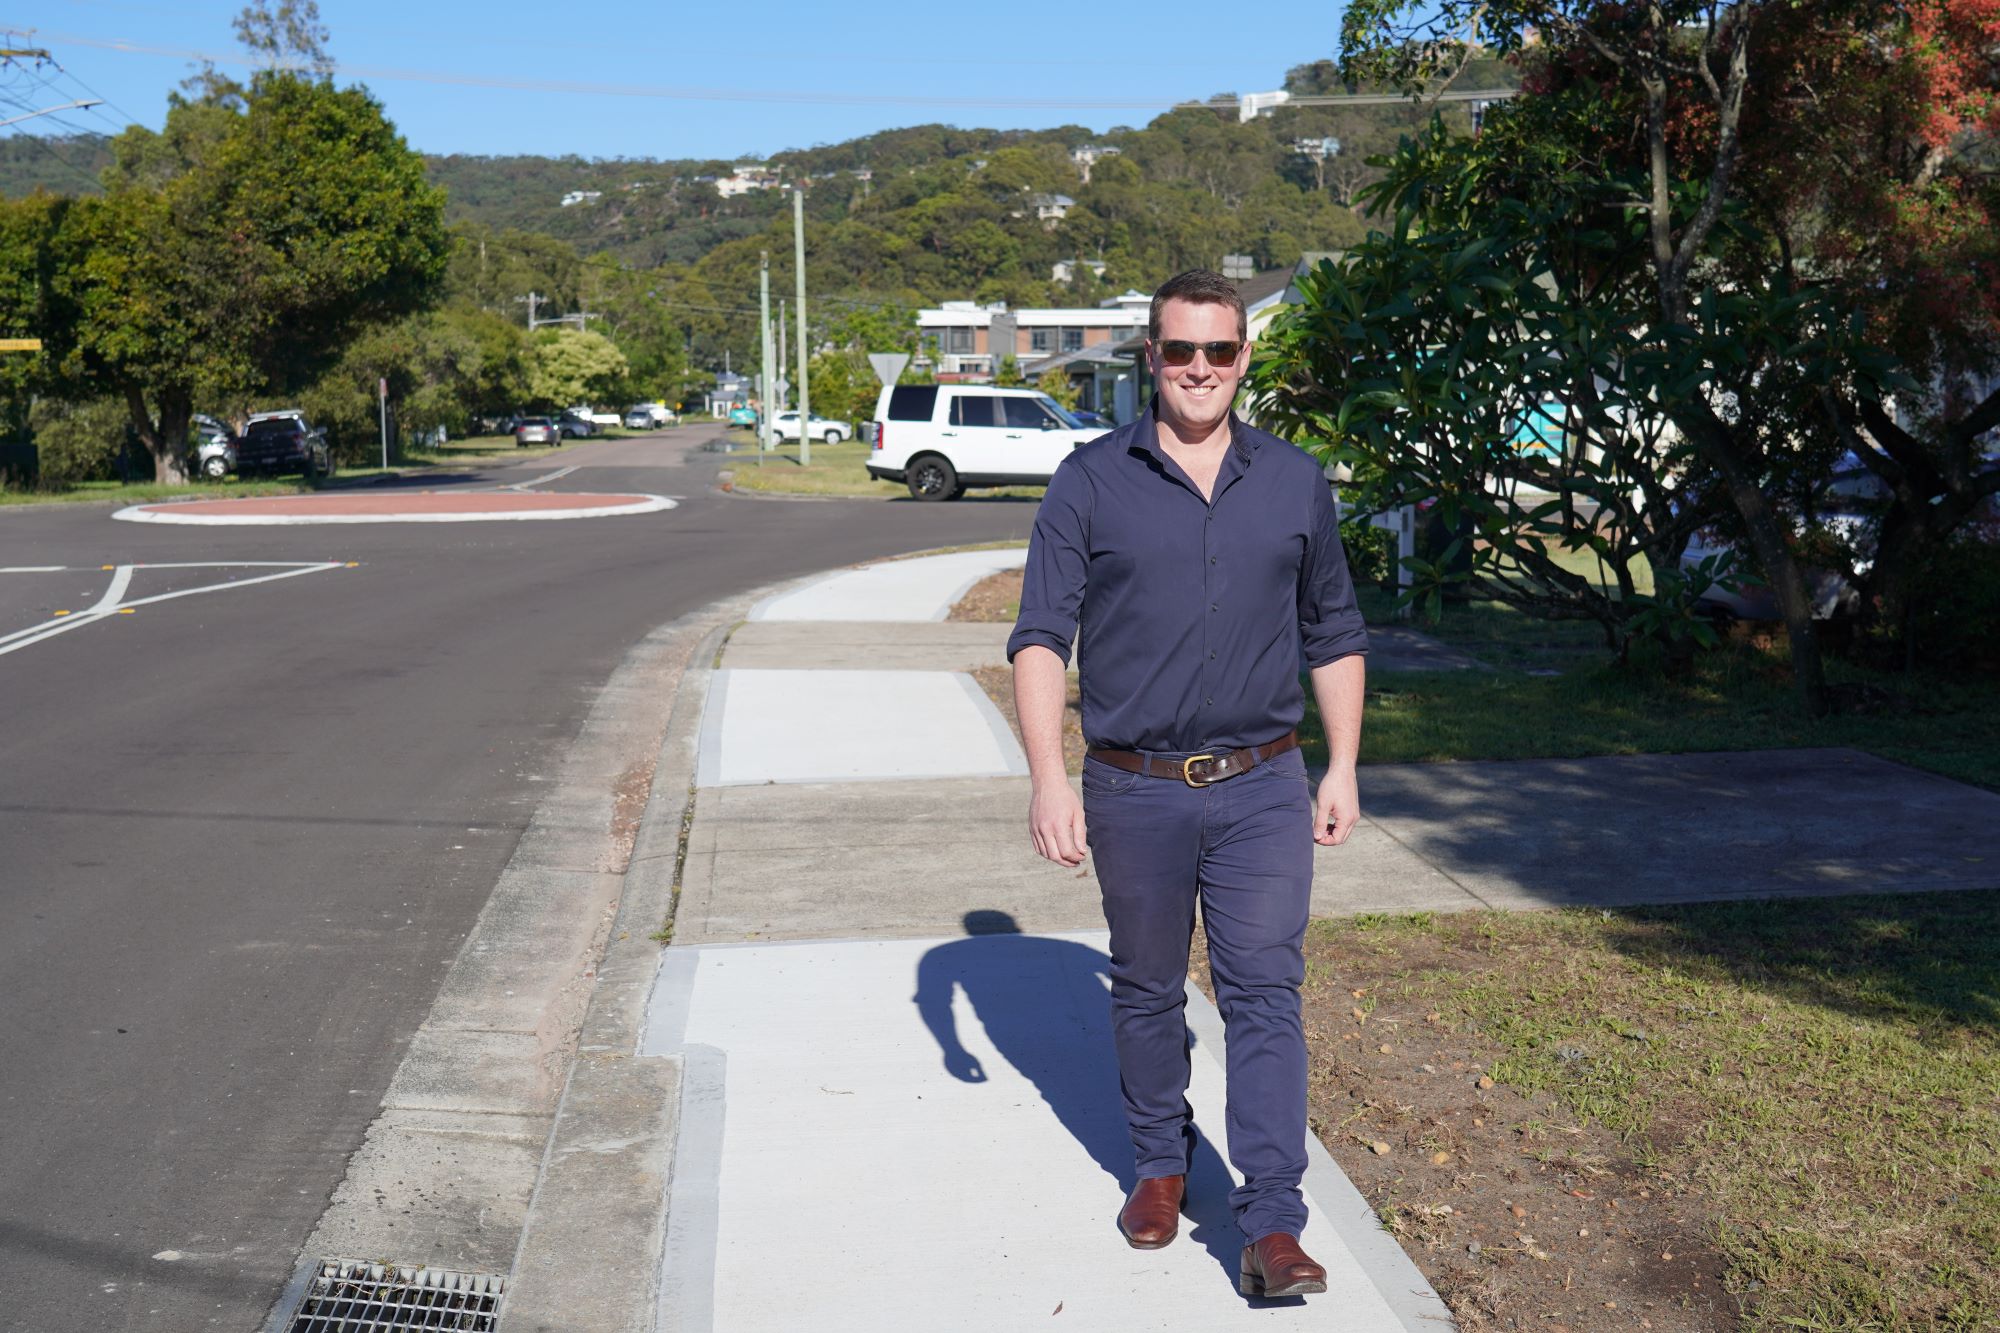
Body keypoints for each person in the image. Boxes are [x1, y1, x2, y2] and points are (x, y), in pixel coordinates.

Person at [1006, 268, 1368, 1300]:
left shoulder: (1294, 481)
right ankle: (1159, 1164)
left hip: (1261, 782)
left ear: (1243, 357)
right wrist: (1045, 776)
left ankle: (1271, 1225)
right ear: (1151, 359)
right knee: (1147, 986)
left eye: (1218, 351)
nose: (1198, 369)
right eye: (1179, 351)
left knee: (1263, 990)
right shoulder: (1087, 479)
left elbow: (1331, 629)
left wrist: (1340, 763)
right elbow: (1040, 634)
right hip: (1134, 787)